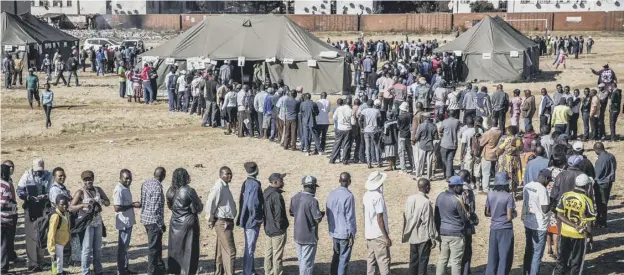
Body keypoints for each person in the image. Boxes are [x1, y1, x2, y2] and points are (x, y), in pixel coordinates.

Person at [552, 174, 596, 275]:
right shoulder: (587, 200)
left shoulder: (565, 196)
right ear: (586, 186)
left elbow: (559, 214)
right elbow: (589, 222)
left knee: (561, 260)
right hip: (579, 235)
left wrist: (569, 226)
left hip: (564, 233)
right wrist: (590, 236)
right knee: (576, 262)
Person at [68, 171, 109, 275]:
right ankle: (85, 272)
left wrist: (101, 203)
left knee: (98, 248)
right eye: (86, 180)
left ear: (93, 179)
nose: (88, 181)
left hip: (98, 222)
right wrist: (82, 205)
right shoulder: (80, 192)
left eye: (90, 179)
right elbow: (71, 208)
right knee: (86, 249)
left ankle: (98, 270)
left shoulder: (98, 190)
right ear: (83, 181)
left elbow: (108, 202)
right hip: (87, 223)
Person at [164, 168, 203, 275]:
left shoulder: (170, 191)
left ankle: (175, 270)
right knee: (190, 249)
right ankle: (188, 271)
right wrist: (198, 202)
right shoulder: (189, 190)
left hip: (175, 223)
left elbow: (170, 207)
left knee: (176, 249)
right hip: (189, 223)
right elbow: (199, 208)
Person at [17, 158, 53, 272]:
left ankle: (41, 260)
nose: (39, 172)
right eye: (37, 170)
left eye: (41, 170)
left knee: (42, 235)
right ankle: (32, 263)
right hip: (31, 209)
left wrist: (46, 196)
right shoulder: (26, 175)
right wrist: (28, 197)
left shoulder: (49, 175)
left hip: (44, 208)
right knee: (31, 237)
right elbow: (20, 190)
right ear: (33, 168)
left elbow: (53, 190)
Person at [402, 178, 437, 275]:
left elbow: (406, 215)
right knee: (423, 261)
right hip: (423, 237)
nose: (430, 188)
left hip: (412, 235)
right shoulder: (426, 202)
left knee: (413, 260)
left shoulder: (410, 198)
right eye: (429, 186)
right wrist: (433, 238)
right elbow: (428, 222)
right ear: (426, 187)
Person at [290, 175, 324, 275]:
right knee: (307, 262)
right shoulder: (313, 201)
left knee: (301, 260)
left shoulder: (295, 197)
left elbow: (292, 213)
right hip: (309, 237)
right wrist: (321, 214)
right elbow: (317, 219)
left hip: (297, 234)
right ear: (313, 187)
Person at [206, 166, 237, 275]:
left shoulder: (225, 186)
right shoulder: (218, 187)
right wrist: (209, 219)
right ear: (221, 175)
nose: (229, 176)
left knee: (221, 250)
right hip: (223, 223)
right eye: (227, 174)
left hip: (226, 222)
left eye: (230, 174)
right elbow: (211, 203)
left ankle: (219, 272)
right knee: (231, 252)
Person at [435, 176, 468, 275]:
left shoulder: (440, 196)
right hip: (456, 234)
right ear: (456, 186)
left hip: (443, 232)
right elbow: (464, 219)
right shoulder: (456, 200)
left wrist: (438, 230)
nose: (462, 189)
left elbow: (436, 216)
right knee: (456, 261)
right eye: (461, 186)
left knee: (442, 259)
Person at [484, 172, 516, 275]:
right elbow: (509, 217)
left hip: (494, 227)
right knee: (504, 256)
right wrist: (515, 214)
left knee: (492, 255)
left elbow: (487, 213)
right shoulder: (508, 197)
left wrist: (496, 214)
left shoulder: (490, 194)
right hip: (505, 228)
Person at [522, 169, 552, 275]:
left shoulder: (528, 186)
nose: (549, 183)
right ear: (545, 178)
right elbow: (544, 209)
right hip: (540, 226)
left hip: (528, 222)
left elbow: (524, 203)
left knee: (528, 250)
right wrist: (552, 204)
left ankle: (526, 271)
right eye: (549, 180)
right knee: (537, 254)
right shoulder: (542, 190)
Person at [235, 162, 264, 275]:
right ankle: (247, 272)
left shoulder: (246, 183)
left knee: (250, 246)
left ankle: (250, 269)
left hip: (247, 219)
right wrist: (257, 218)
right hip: (252, 221)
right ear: (256, 170)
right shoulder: (255, 185)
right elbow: (253, 204)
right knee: (250, 248)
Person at [326, 172, 357, 275]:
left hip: (335, 231)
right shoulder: (349, 196)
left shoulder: (332, 193)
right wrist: (352, 234)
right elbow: (350, 217)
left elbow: (328, 211)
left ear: (339, 181)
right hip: (345, 233)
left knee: (336, 256)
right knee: (343, 259)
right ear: (350, 182)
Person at [363, 171, 391, 275]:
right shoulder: (378, 197)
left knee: (371, 262)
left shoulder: (366, 195)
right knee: (384, 262)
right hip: (378, 235)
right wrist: (386, 237)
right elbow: (380, 218)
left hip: (369, 234)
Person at [113, 169, 140, 275]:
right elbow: (117, 207)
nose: (129, 181)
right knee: (122, 248)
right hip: (123, 222)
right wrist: (133, 205)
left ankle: (124, 268)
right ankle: (121, 271)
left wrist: (133, 203)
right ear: (120, 178)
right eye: (126, 179)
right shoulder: (119, 189)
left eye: (130, 178)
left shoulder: (125, 187)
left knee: (125, 248)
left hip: (128, 221)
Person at [140, 167, 167, 275]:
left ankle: (159, 267)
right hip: (153, 221)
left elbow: (143, 201)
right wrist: (160, 224)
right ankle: (151, 270)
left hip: (146, 219)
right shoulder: (157, 187)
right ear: (163, 176)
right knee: (153, 247)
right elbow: (155, 209)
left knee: (157, 245)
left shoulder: (146, 183)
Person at [263, 173, 289, 275]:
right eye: (281, 180)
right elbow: (279, 214)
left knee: (268, 253)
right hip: (277, 230)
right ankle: (277, 272)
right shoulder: (277, 196)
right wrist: (281, 227)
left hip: (269, 228)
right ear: (275, 182)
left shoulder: (266, 192)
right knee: (277, 255)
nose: (283, 182)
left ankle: (268, 271)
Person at [593, 142, 616, 228]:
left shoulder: (601, 160)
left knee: (600, 203)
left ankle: (601, 222)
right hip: (608, 182)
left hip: (601, 184)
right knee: (605, 202)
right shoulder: (611, 156)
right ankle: (602, 220)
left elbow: (597, 174)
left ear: (597, 150)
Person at [0, 164, 18, 274]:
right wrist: (13, 204)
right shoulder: (6, 185)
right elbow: (3, 203)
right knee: (4, 245)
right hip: (4, 219)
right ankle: (3, 269)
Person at [47, 194, 70, 275]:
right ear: (56, 205)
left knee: (60, 260)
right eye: (62, 204)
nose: (64, 206)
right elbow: (51, 233)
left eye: (66, 204)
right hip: (56, 243)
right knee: (56, 261)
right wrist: (52, 251)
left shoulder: (65, 213)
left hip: (62, 242)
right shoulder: (56, 216)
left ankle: (60, 272)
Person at [330, 98, 355, 165]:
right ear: (350, 103)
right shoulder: (351, 110)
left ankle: (332, 159)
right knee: (346, 145)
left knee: (337, 144)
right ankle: (345, 160)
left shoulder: (339, 108)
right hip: (347, 129)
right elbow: (353, 122)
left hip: (340, 128)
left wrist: (340, 120)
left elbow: (334, 117)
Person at [479, 120, 502, 193]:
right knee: (494, 172)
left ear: (490, 124)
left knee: (486, 173)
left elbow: (481, 143)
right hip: (496, 154)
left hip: (487, 155)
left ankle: (486, 189)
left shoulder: (488, 133)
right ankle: (495, 187)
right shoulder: (500, 132)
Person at [414, 113, 438, 179]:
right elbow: (436, 137)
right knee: (429, 161)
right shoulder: (434, 126)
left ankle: (418, 175)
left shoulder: (420, 126)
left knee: (420, 161)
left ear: (424, 118)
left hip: (422, 145)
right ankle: (429, 176)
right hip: (430, 145)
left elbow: (417, 137)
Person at [361, 99, 383, 168]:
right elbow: (380, 120)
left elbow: (360, 119)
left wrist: (362, 127)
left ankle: (369, 163)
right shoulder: (377, 111)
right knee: (376, 146)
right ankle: (379, 162)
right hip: (374, 130)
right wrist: (378, 127)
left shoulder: (364, 111)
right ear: (373, 104)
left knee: (367, 147)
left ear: (367, 104)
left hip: (366, 130)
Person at [440, 110, 461, 180]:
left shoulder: (444, 121)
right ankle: (448, 175)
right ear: (455, 115)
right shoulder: (457, 121)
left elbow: (440, 130)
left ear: (448, 114)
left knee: (444, 159)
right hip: (453, 143)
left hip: (444, 143)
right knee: (450, 159)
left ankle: (446, 173)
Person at [397, 102, 414, 173]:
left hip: (402, 135)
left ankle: (403, 169)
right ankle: (413, 166)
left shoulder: (400, 117)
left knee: (402, 152)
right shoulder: (410, 115)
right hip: (408, 135)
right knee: (410, 152)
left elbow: (398, 126)